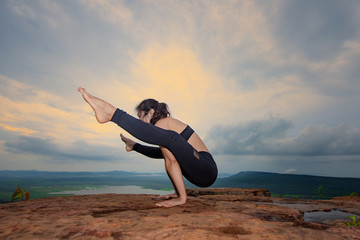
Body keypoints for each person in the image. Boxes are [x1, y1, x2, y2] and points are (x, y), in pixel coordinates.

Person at [78, 87, 218, 207]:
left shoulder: (163, 123)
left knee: (171, 141)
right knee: (167, 149)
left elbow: (171, 162)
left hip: (206, 169)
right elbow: (166, 156)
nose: (140, 122)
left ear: (150, 113)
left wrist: (182, 198)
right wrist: (135, 146)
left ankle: (112, 113)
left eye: (140, 116)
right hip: (200, 173)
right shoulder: (163, 130)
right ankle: (131, 143)